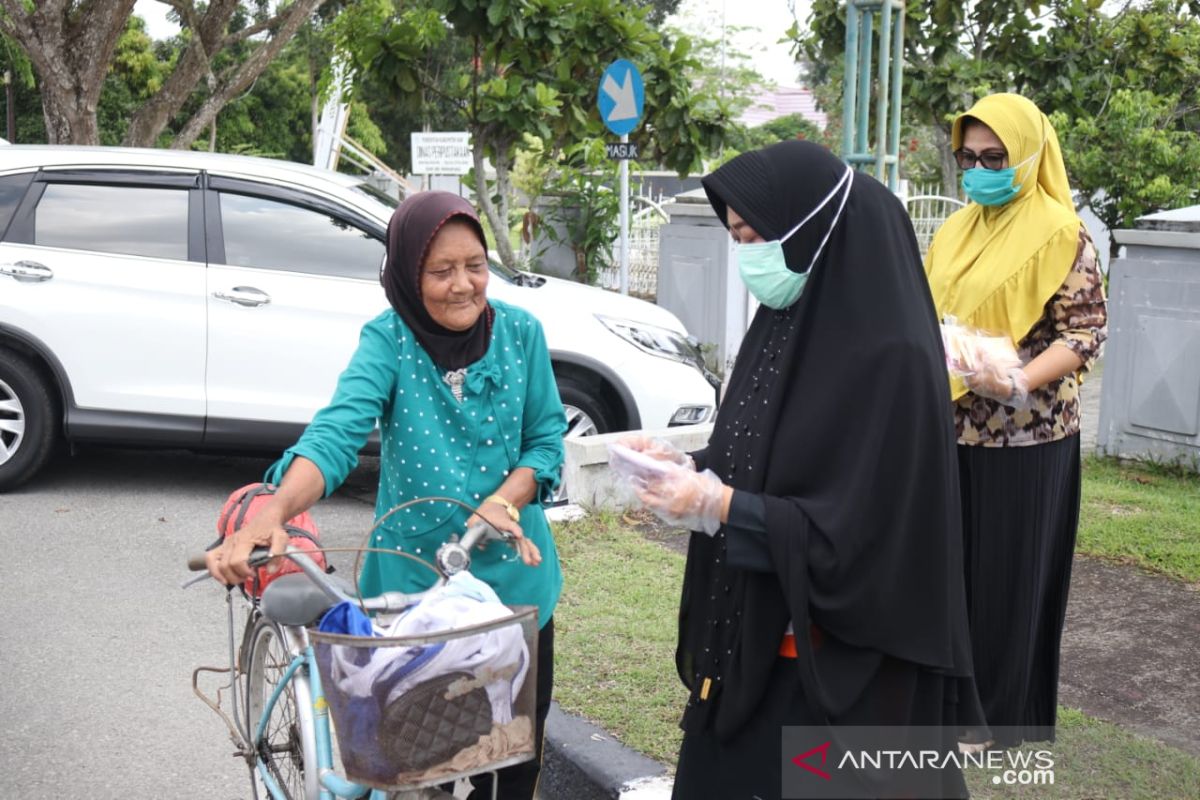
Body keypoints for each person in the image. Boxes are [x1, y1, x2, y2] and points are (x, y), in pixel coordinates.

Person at [622, 140, 985, 800]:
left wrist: (717, 504)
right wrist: (689, 467)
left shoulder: (894, 358)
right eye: (737, 237)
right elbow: (766, 454)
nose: (748, 256)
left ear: (813, 229)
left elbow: (860, 536)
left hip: (841, 669)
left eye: (756, 235)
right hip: (757, 638)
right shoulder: (785, 324)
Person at [206, 190, 567, 800]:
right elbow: (337, 434)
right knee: (413, 769)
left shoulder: (522, 333)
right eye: (440, 270)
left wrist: (505, 498)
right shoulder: (389, 340)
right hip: (412, 590)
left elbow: (546, 441)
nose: (463, 285)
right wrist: (272, 513)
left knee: (509, 767)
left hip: (514, 590)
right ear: (406, 273)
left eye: (475, 266)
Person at [924, 93, 1107, 748]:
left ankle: (995, 720)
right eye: (969, 158)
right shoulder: (955, 230)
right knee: (950, 574)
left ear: (1027, 157)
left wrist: (1016, 378)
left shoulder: (1059, 231)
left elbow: (1084, 334)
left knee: (1005, 583)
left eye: (994, 157)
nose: (979, 170)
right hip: (952, 430)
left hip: (1027, 436)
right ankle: (949, 704)